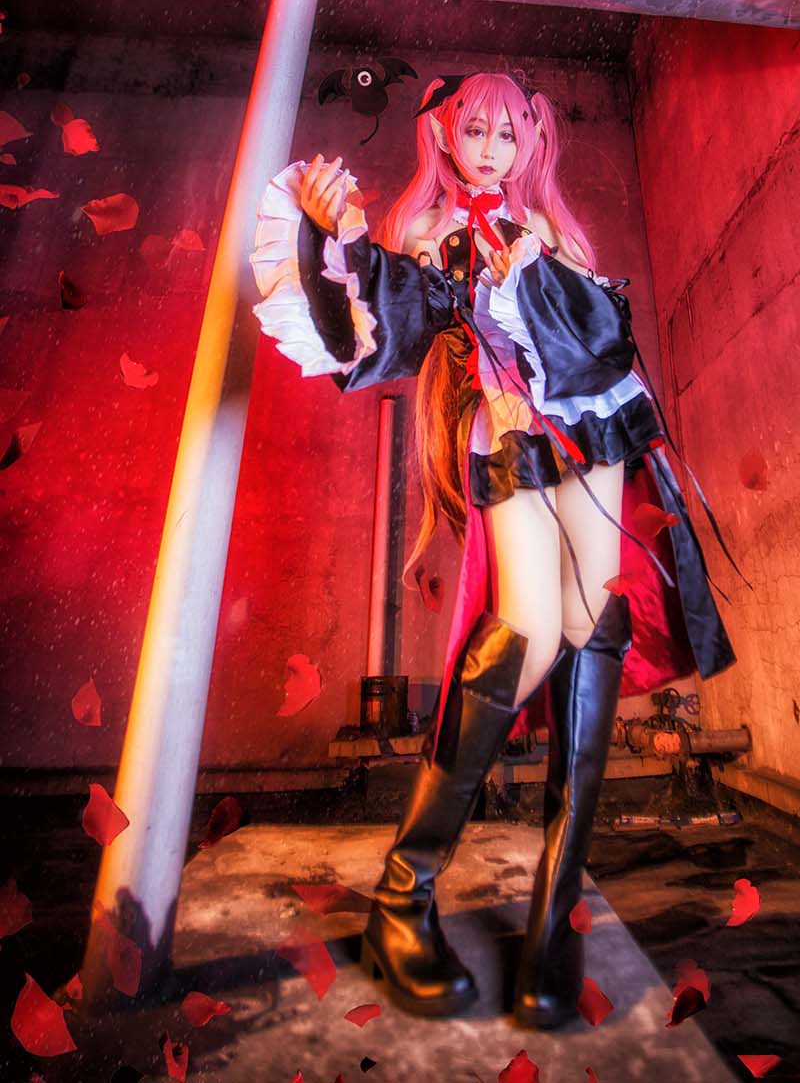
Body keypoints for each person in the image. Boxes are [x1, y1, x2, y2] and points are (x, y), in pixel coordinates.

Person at [250, 70, 735, 1028]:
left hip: (593, 422)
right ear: (445, 134)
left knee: (595, 620)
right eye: (476, 130)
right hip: (504, 430)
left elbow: (598, 334)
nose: (492, 149)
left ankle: (556, 919)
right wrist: (325, 237)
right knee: (530, 627)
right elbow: (374, 326)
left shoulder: (544, 227)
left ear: (529, 144)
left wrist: (546, 281)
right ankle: (403, 898)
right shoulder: (430, 231)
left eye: (508, 135)